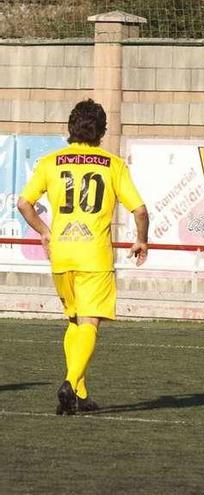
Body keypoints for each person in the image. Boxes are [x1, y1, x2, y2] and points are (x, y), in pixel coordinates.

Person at [17, 99, 149, 415]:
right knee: (90, 322)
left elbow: (24, 204)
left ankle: (79, 393)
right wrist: (141, 239)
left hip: (62, 254)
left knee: (74, 321)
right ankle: (69, 381)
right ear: (102, 131)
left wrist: (44, 232)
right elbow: (140, 210)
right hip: (95, 255)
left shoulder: (50, 162)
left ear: (70, 128)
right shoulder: (113, 165)